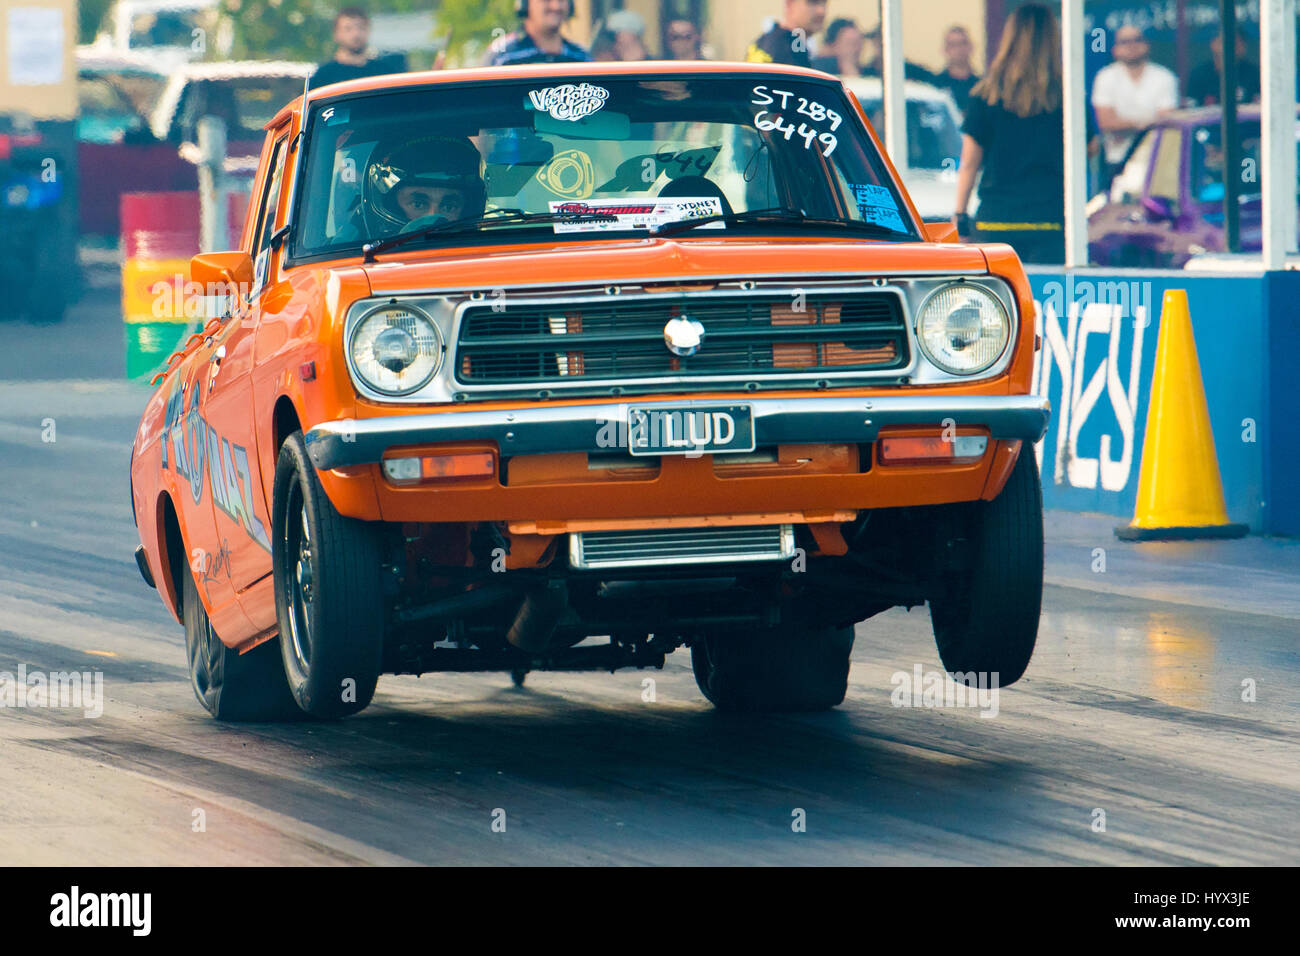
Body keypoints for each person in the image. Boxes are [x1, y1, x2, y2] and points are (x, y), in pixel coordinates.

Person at [953, 3, 1064, 265]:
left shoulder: (985, 95)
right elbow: (1090, 148)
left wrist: (960, 216)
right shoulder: (1065, 97)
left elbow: (969, 162)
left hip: (997, 219)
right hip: (1049, 221)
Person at [356, 136, 486, 239]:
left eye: (448, 207)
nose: (433, 218)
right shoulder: (346, 263)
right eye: (418, 204)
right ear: (391, 206)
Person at [1091, 26, 1177, 180]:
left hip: (1156, 160)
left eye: (1137, 40)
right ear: (1115, 49)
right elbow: (1106, 123)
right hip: (1117, 161)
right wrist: (1147, 123)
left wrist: (1125, 125)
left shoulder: (1164, 77)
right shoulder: (1105, 77)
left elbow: (1167, 122)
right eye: (1125, 42)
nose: (1132, 46)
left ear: (1147, 44)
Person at [309, 8, 407, 90]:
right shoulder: (322, 77)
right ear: (336, 34)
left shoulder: (384, 73)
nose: (356, 34)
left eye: (361, 27)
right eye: (348, 29)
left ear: (368, 30)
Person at [486, 0, 590, 67]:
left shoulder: (581, 57)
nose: (556, 6)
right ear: (524, 3)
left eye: (562, 0)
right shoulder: (503, 55)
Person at [1187, 27, 1260, 106]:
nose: (1229, 48)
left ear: (1243, 47)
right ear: (1213, 44)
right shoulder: (1199, 74)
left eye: (1235, 43)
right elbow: (1190, 109)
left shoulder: (1254, 73)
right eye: (1224, 42)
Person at [747, 0, 828, 69]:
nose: (821, 11)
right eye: (812, 2)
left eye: (824, 3)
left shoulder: (764, 41)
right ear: (789, 4)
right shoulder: (794, 51)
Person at [930, 26, 981, 113]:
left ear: (971, 47)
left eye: (963, 43)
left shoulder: (981, 86)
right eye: (953, 45)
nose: (959, 49)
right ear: (945, 50)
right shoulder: (935, 86)